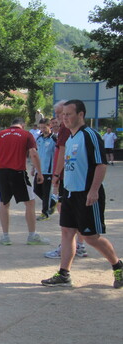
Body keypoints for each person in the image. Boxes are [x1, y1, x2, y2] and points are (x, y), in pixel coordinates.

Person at [41, 99, 122, 288]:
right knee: (67, 232)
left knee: (91, 237)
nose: (64, 118)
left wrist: (93, 190)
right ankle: (64, 274)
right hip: (69, 193)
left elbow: (101, 164)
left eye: (68, 114)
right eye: (63, 115)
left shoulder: (90, 135)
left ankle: (118, 266)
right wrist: (58, 181)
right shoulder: (70, 137)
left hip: (86, 194)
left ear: (81, 115)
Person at [0, 117, 49, 246]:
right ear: (22, 125)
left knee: (4, 203)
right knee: (30, 203)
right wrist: (39, 172)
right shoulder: (26, 134)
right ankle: (32, 235)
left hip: (2, 172)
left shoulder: (0, 134)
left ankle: (5, 236)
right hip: (18, 172)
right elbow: (33, 153)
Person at [44, 101, 87, 259]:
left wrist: (56, 175)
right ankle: (79, 245)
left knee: (66, 215)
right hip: (69, 176)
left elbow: (62, 152)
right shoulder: (73, 130)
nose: (58, 117)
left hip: (65, 177)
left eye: (61, 113)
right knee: (74, 213)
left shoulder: (65, 129)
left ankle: (70, 246)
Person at [32, 119, 56, 221]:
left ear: (49, 126)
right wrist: (34, 167)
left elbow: (57, 155)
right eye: (40, 128)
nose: (42, 130)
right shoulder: (39, 139)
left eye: (44, 127)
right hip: (39, 170)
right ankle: (53, 202)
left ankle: (45, 213)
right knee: (36, 189)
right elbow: (36, 154)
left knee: (46, 192)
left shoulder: (54, 139)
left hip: (48, 170)